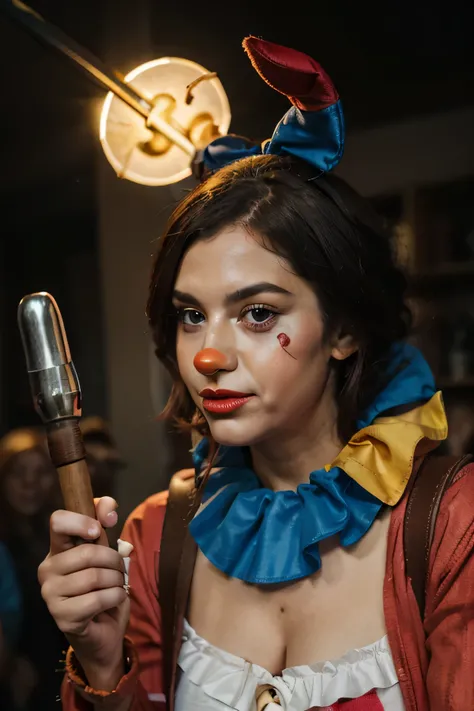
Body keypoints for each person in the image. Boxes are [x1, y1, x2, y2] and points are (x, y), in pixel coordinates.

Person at [39, 37, 473, 711]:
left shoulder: (451, 523)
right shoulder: (157, 537)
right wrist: (101, 663)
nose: (208, 354)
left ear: (346, 328)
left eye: (259, 312)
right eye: (190, 315)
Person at [0, 427, 66, 710]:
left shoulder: (59, 537)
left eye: (40, 473)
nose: (30, 483)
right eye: (18, 473)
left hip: (59, 677)